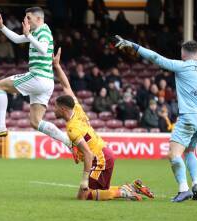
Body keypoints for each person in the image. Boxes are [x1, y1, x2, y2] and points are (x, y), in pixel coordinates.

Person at [115, 36, 197, 202]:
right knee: (190, 151)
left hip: (188, 117)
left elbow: (156, 58)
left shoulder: (182, 66)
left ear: (184, 53)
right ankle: (195, 183)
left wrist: (134, 46)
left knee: (173, 155)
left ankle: (184, 189)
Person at [52, 47, 154, 201]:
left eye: (55, 107)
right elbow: (66, 87)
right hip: (104, 155)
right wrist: (57, 66)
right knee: (98, 192)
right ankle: (132, 187)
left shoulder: (72, 128)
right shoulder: (77, 109)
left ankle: (124, 192)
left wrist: (85, 179)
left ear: (63, 108)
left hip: (100, 159)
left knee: (84, 196)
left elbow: (87, 153)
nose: (53, 109)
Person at [0, 8, 71, 148]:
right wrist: (1, 26)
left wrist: (28, 36)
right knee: (36, 122)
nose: (26, 21)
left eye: (28, 18)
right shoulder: (36, 32)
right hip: (47, 81)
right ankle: (68, 141)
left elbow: (43, 49)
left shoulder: (43, 31)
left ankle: (1, 126)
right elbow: (17, 39)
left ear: (38, 19)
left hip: (38, 77)